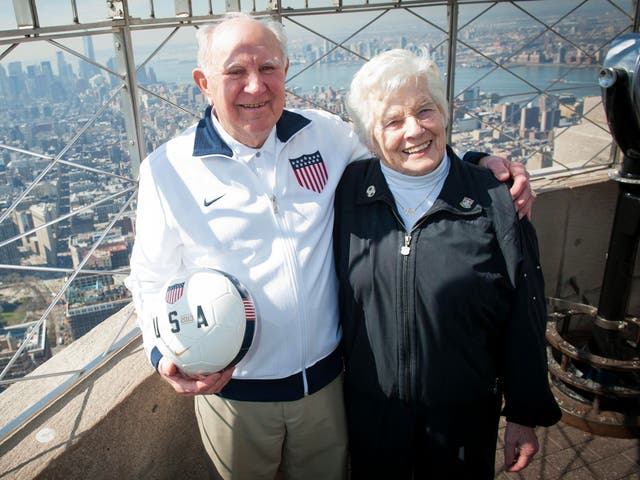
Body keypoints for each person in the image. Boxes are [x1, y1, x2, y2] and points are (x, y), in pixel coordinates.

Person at [125, 13, 537, 480]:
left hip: (327, 388)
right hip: (234, 394)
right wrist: (163, 355)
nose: (256, 86)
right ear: (203, 82)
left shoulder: (326, 135)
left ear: (285, 70)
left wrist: (479, 162)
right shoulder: (167, 169)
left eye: (269, 68)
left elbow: (405, 147)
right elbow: (150, 278)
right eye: (235, 72)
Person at [333, 48, 562, 480]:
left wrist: (523, 413)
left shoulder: (496, 200)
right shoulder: (346, 196)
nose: (414, 130)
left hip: (463, 422)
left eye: (425, 111)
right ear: (369, 136)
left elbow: (525, 314)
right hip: (372, 416)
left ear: (445, 112)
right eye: (393, 121)